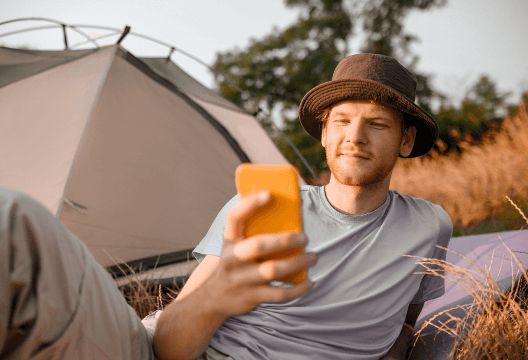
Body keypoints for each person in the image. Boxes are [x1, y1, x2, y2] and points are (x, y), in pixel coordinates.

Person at [151, 53, 453, 360]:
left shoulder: (430, 226)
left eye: (376, 124)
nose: (355, 137)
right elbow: (168, 346)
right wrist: (214, 296)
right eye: (342, 121)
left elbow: (407, 312)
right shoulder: (256, 207)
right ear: (324, 133)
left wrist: (400, 342)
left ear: (406, 140)